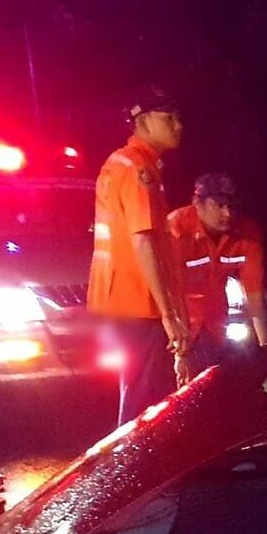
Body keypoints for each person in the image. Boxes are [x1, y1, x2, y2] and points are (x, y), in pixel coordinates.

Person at [90, 92, 188, 422]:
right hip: (136, 299)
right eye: (169, 118)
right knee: (144, 401)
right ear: (143, 121)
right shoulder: (137, 169)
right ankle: (130, 471)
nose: (179, 124)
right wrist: (168, 314)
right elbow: (143, 242)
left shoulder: (126, 163)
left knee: (139, 391)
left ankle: (134, 466)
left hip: (122, 298)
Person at [166, 172, 267, 379]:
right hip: (171, 325)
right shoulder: (177, 228)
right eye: (219, 205)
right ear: (197, 203)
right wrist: (180, 353)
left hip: (215, 325)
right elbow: (171, 292)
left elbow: (255, 295)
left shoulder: (247, 233)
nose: (228, 213)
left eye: (232, 206)